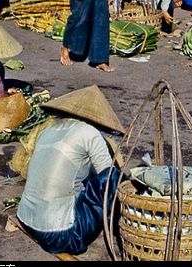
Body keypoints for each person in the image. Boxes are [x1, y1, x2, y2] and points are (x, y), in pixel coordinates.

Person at [16, 85, 125, 255]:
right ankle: (122, 223)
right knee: (113, 177)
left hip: (24, 217)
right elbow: (108, 176)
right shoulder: (90, 133)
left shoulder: (47, 130)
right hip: (61, 235)